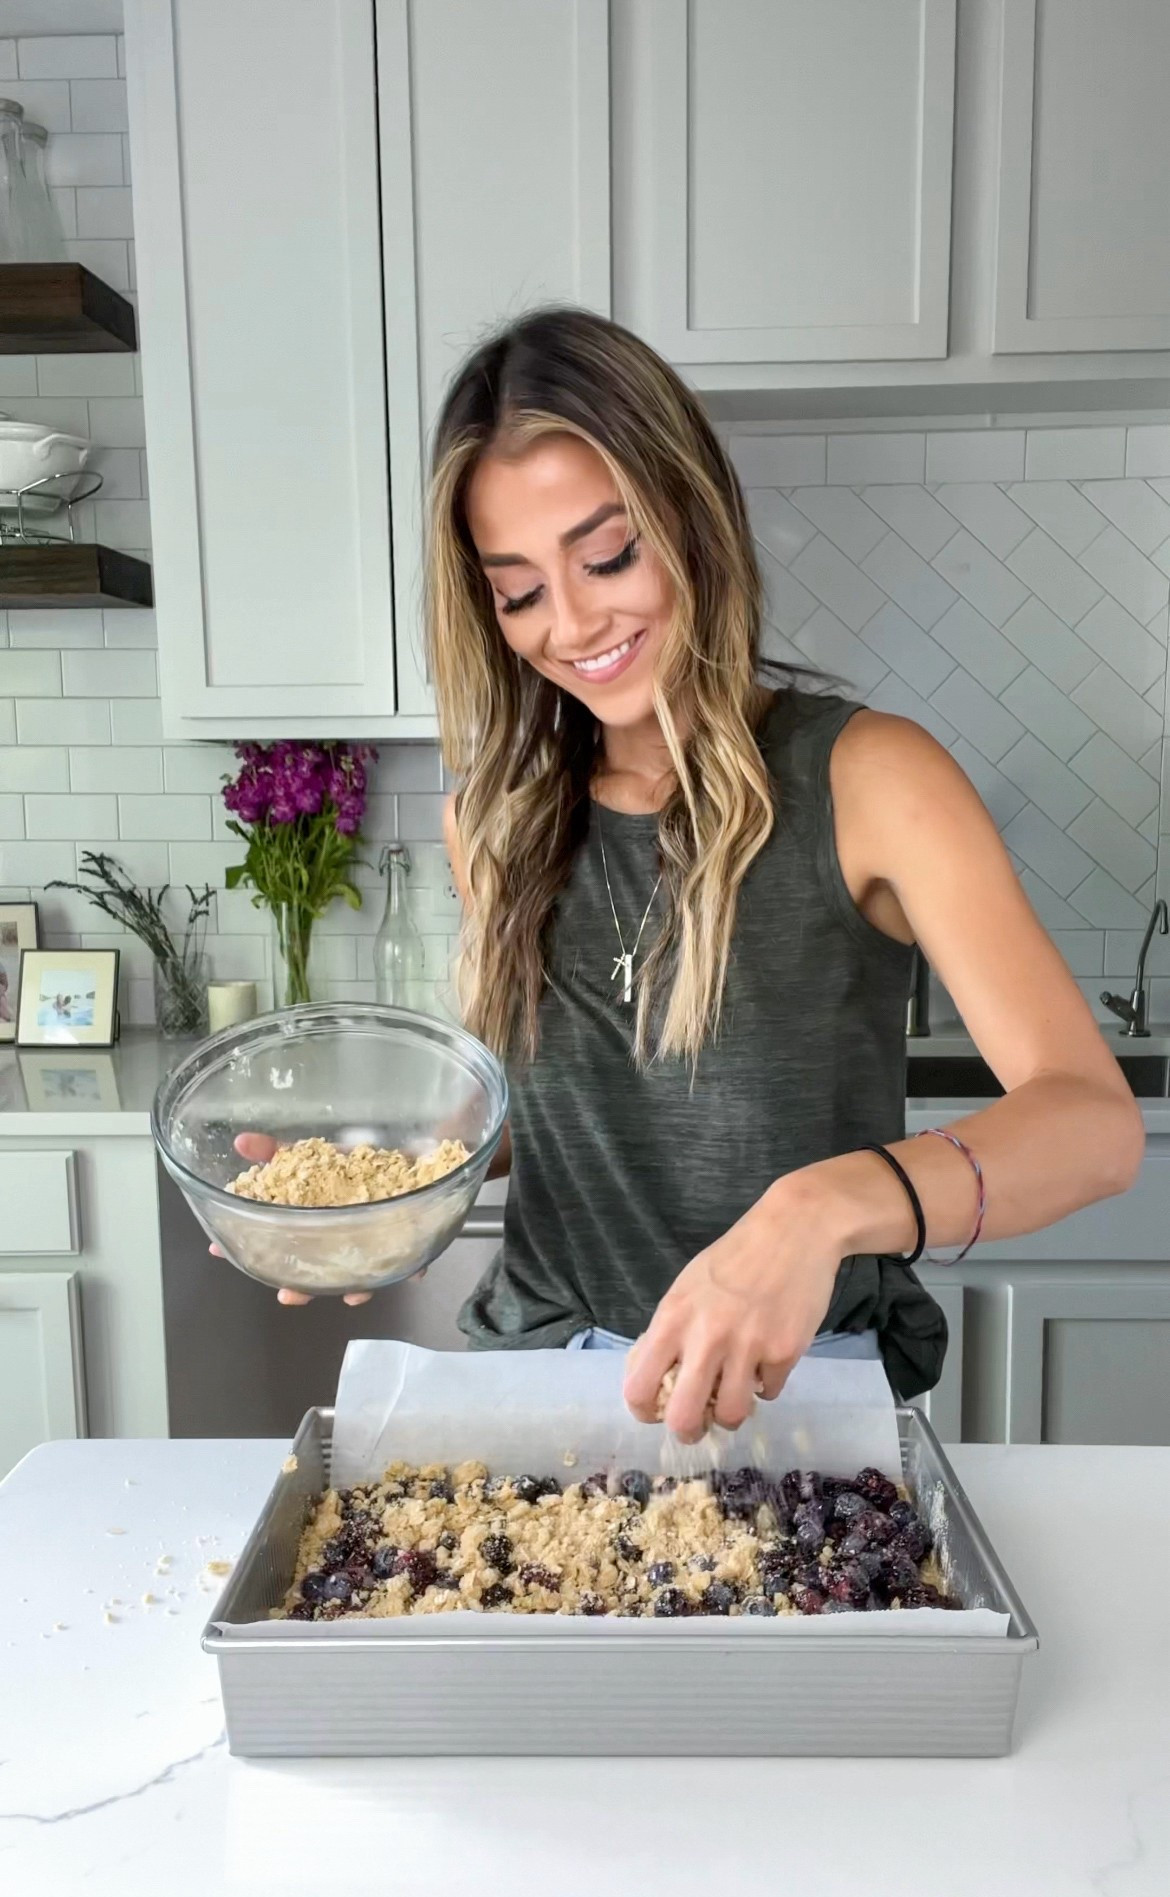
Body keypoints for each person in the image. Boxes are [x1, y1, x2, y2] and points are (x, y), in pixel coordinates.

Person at [230, 306, 1144, 1444]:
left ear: (694, 516)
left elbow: (1093, 1126)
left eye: (609, 555)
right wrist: (393, 1192)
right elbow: (557, 1113)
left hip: (794, 1392)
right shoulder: (495, 822)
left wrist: (818, 1209)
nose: (571, 624)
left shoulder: (872, 779)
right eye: (517, 591)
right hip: (541, 1381)